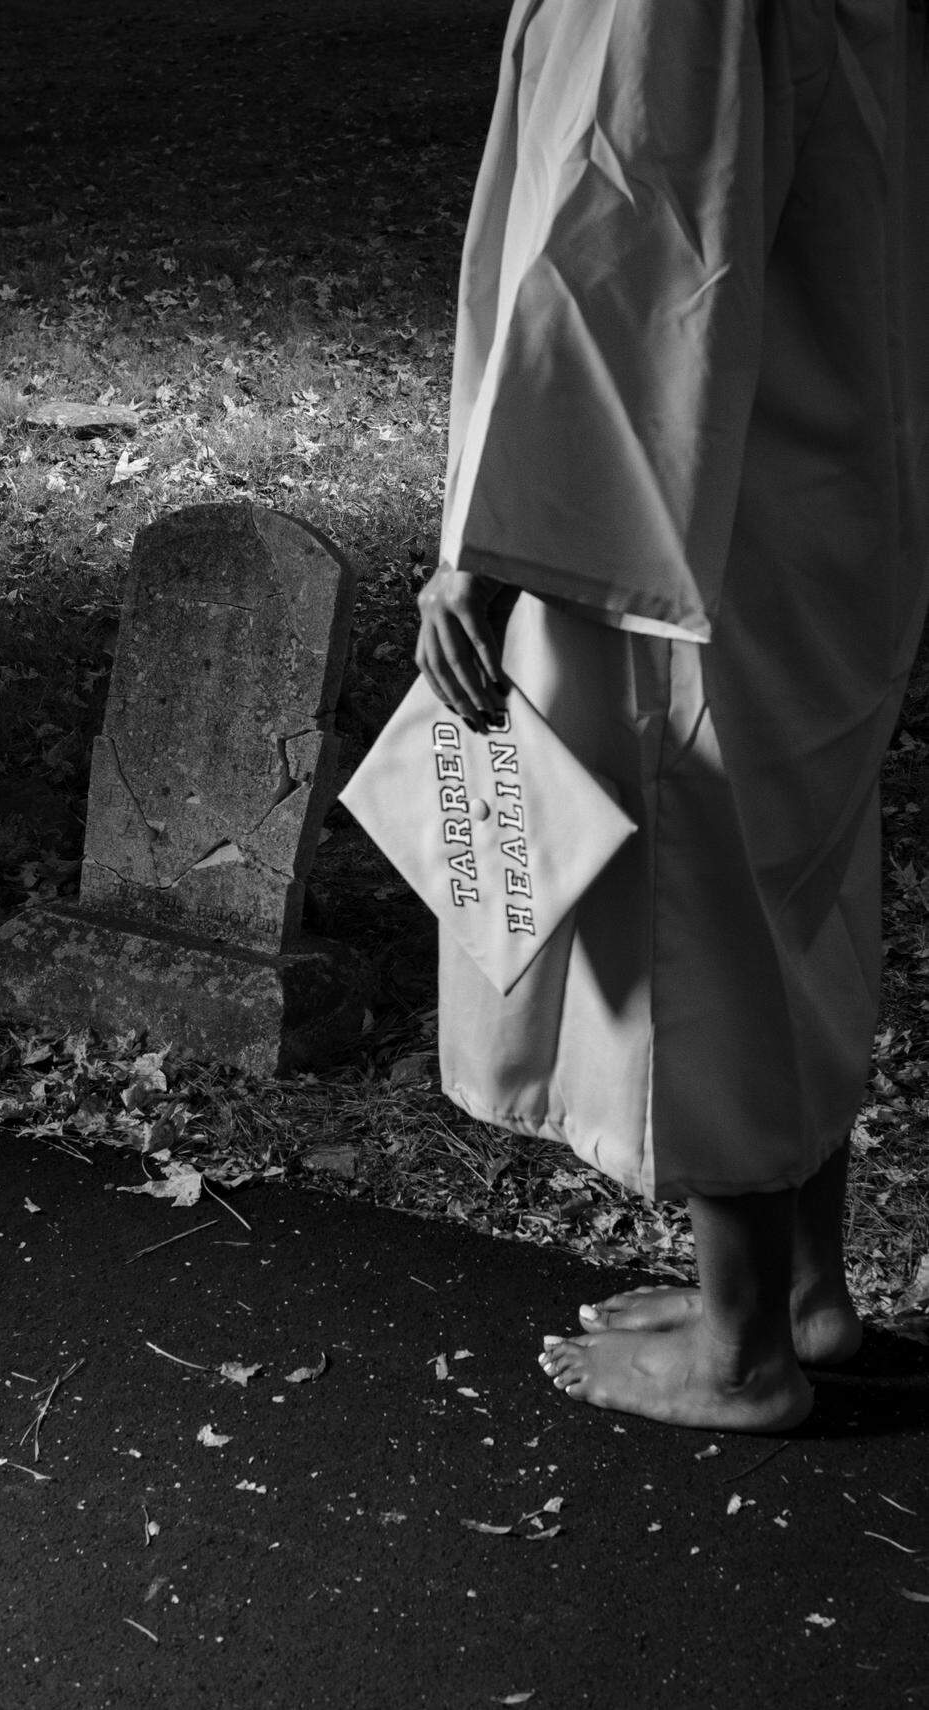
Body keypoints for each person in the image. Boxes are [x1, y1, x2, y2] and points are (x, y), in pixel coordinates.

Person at [414, 0, 929, 1431]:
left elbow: (621, 238)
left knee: (696, 881)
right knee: (794, 867)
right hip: (821, 460)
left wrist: (478, 547)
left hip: (687, 502)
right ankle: (803, 1291)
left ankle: (740, 1346)